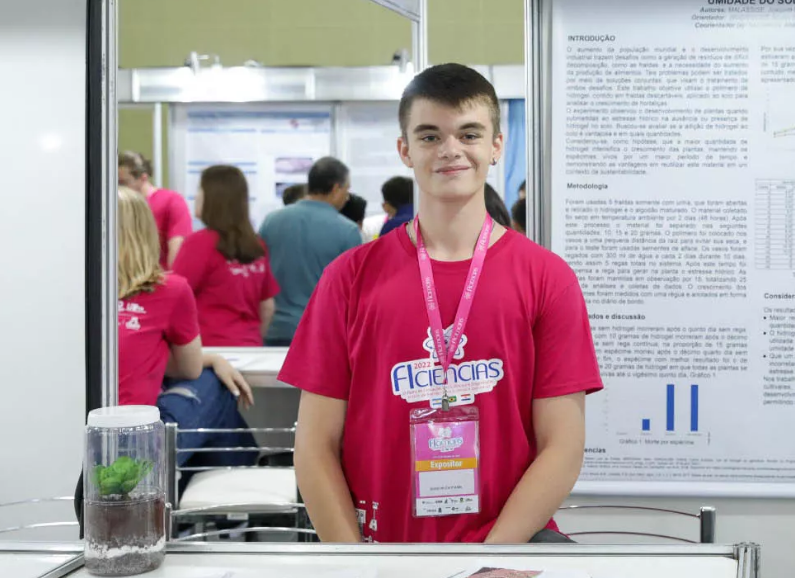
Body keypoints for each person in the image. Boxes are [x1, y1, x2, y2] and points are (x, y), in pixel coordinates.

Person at [279, 63, 602, 545]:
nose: (450, 150)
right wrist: (354, 560)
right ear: (405, 150)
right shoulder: (349, 277)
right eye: (430, 136)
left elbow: (563, 445)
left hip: (508, 550)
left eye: (469, 134)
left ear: (496, 146)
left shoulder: (547, 278)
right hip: (380, 552)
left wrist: (484, 563)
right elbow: (314, 445)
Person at [115, 187, 256, 492]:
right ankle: (245, 477)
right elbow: (190, 369)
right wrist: (214, 359)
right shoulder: (170, 290)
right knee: (215, 387)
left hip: (88, 437)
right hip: (139, 445)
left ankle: (208, 491)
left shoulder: (80, 297)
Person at [259, 157, 363, 346]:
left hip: (274, 330)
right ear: (336, 189)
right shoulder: (348, 231)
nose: (347, 198)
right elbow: (354, 292)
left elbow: (259, 276)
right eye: (346, 190)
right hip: (320, 335)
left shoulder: (271, 221)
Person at [173, 165, 279, 347]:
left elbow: (174, 298)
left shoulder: (198, 243)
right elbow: (267, 306)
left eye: (200, 190)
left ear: (213, 197)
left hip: (208, 349)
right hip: (250, 346)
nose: (196, 197)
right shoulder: (256, 245)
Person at [119, 150, 193, 269]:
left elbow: (177, 257)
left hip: (157, 275)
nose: (119, 189)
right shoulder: (115, 206)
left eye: (123, 183)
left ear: (143, 178)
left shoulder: (172, 201)